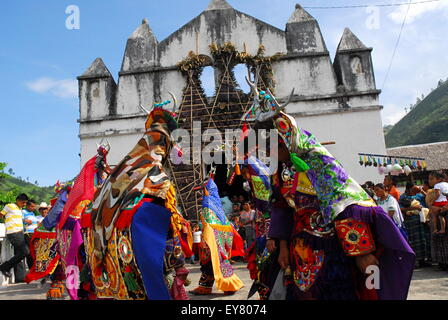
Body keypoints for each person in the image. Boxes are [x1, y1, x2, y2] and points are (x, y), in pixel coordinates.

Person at [240, 75, 414, 300]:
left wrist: (361, 252)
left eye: (273, 146)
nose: (269, 153)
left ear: (286, 138)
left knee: (348, 290)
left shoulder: (318, 160)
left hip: (331, 248)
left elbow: (346, 201)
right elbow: (281, 208)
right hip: (298, 250)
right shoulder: (281, 171)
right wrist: (282, 246)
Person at [189, 178, 243, 296]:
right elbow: (228, 226)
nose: (202, 194)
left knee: (211, 263)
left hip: (212, 240)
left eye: (203, 191)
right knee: (215, 264)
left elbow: (208, 224)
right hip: (221, 241)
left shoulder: (208, 203)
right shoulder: (218, 205)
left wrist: (208, 240)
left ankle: (224, 286)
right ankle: (215, 287)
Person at [399, 184, 431, 268]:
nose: (415, 192)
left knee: (423, 241)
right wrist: (414, 208)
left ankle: (423, 261)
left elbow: (429, 199)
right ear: (408, 189)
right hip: (410, 223)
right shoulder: (403, 197)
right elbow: (401, 209)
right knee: (413, 242)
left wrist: (422, 191)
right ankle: (414, 261)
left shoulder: (419, 195)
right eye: (413, 190)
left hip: (421, 222)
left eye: (416, 190)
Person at [0, 193, 30, 280]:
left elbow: (14, 218)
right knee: (25, 252)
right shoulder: (9, 206)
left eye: (25, 203)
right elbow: (1, 214)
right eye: (23, 202)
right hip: (13, 233)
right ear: (18, 200)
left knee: (21, 253)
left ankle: (11, 271)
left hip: (20, 233)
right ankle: (4, 267)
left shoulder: (19, 209)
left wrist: (24, 220)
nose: (24, 205)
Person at [22, 199, 39, 270]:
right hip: (28, 234)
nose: (33, 208)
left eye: (34, 207)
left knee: (35, 252)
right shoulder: (23, 212)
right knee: (30, 252)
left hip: (35, 234)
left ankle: (35, 268)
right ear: (28, 206)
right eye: (32, 206)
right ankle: (31, 268)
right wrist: (25, 220)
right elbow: (19, 219)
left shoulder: (33, 214)